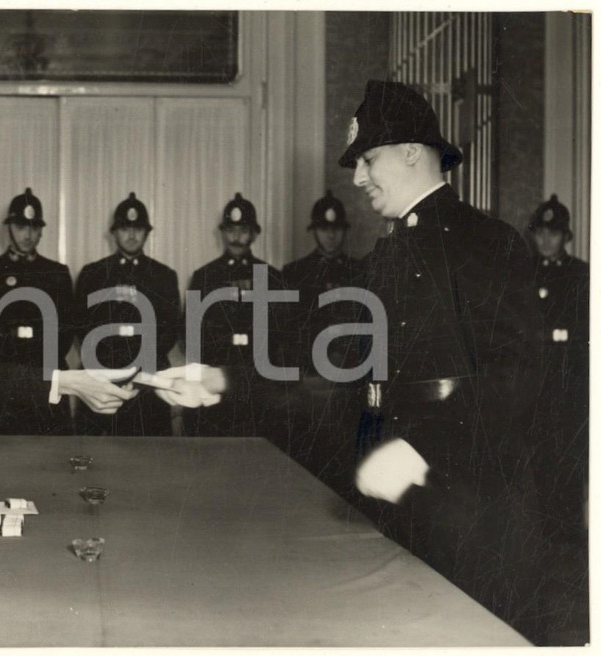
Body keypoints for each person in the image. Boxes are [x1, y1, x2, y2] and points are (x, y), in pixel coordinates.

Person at [339, 79, 582, 644]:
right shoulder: (389, 251)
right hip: (399, 507)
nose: (357, 179)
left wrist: (418, 448)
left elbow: (517, 376)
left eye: (367, 159)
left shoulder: (485, 241)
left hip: (473, 513)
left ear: (410, 152)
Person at [0, 188, 95, 435]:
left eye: (34, 228)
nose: (28, 234)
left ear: (42, 231)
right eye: (22, 226)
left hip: (45, 383)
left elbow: (65, 335)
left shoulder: (57, 273)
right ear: (9, 227)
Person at [74, 192, 180, 436]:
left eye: (138, 229)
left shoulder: (163, 276)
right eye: (125, 228)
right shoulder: (93, 274)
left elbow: (168, 331)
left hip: (147, 381)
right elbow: (82, 327)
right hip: (102, 378)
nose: (131, 235)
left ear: (147, 233)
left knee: (149, 460)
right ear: (114, 232)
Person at [182, 192, 287, 437]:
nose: (237, 237)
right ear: (222, 232)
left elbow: (283, 332)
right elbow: (190, 333)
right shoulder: (204, 276)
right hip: (215, 376)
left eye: (243, 230)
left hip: (257, 379)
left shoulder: (273, 277)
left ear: (254, 233)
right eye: (231, 230)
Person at [280, 190, 364, 491]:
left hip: (347, 384)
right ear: (313, 231)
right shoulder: (293, 273)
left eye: (336, 229)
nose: (330, 236)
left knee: (345, 467)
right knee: (307, 466)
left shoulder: (360, 272)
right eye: (324, 229)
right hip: (309, 383)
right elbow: (287, 331)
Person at [526, 194, 589, 544]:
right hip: (533, 389)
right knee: (536, 462)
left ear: (566, 236)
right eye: (540, 232)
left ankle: (568, 540)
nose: (546, 239)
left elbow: (584, 337)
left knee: (568, 461)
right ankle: (539, 536)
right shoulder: (523, 274)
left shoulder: (582, 275)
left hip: (569, 387)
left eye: (554, 232)